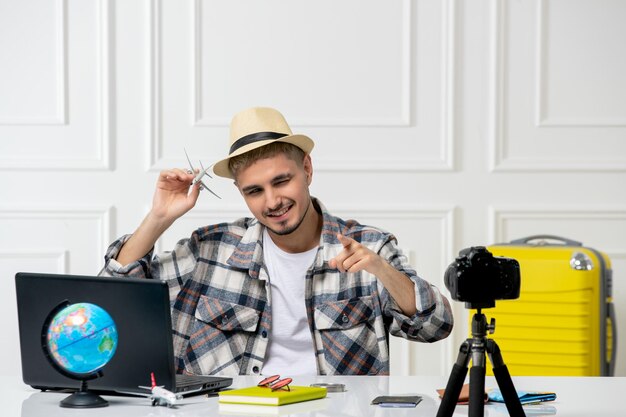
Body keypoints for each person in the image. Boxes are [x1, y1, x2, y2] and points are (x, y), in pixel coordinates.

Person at [100, 107, 453, 377]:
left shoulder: (368, 247)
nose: (272, 202)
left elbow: (436, 325)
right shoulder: (210, 250)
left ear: (307, 170)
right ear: (240, 192)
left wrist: (382, 271)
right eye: (254, 191)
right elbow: (111, 303)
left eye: (281, 181)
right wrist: (158, 217)